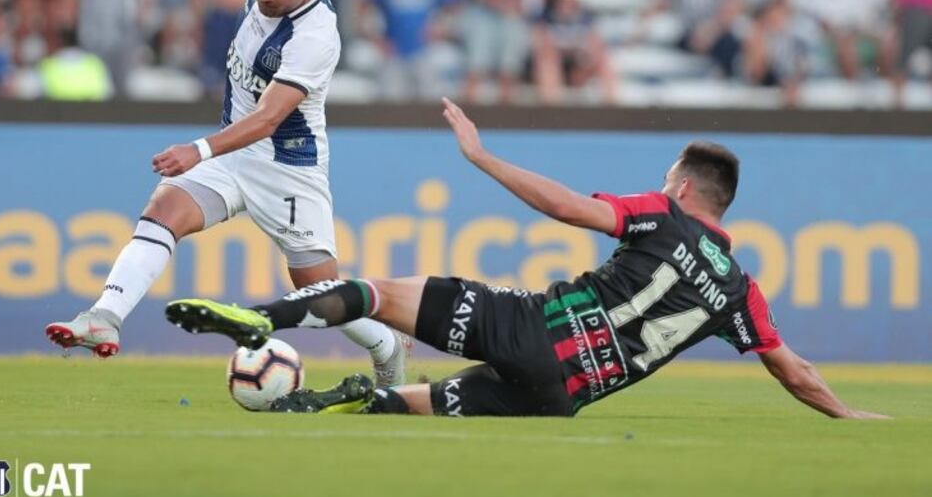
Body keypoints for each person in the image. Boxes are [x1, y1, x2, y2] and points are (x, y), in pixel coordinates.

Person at [164, 98, 889, 420]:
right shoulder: (740, 289)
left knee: (379, 292)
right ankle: (339, 397)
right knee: (413, 403)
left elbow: (571, 208)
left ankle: (262, 319)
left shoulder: (661, 211)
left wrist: (482, 157)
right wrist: (848, 415)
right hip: (563, 397)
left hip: (531, 328)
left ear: (685, 186)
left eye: (670, 175)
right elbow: (791, 369)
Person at [45, 0, 408, 389]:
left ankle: (385, 345)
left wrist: (196, 150)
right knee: (164, 211)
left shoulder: (316, 36)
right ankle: (104, 316)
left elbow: (268, 119)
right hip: (231, 151)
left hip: (286, 169)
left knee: (320, 292)